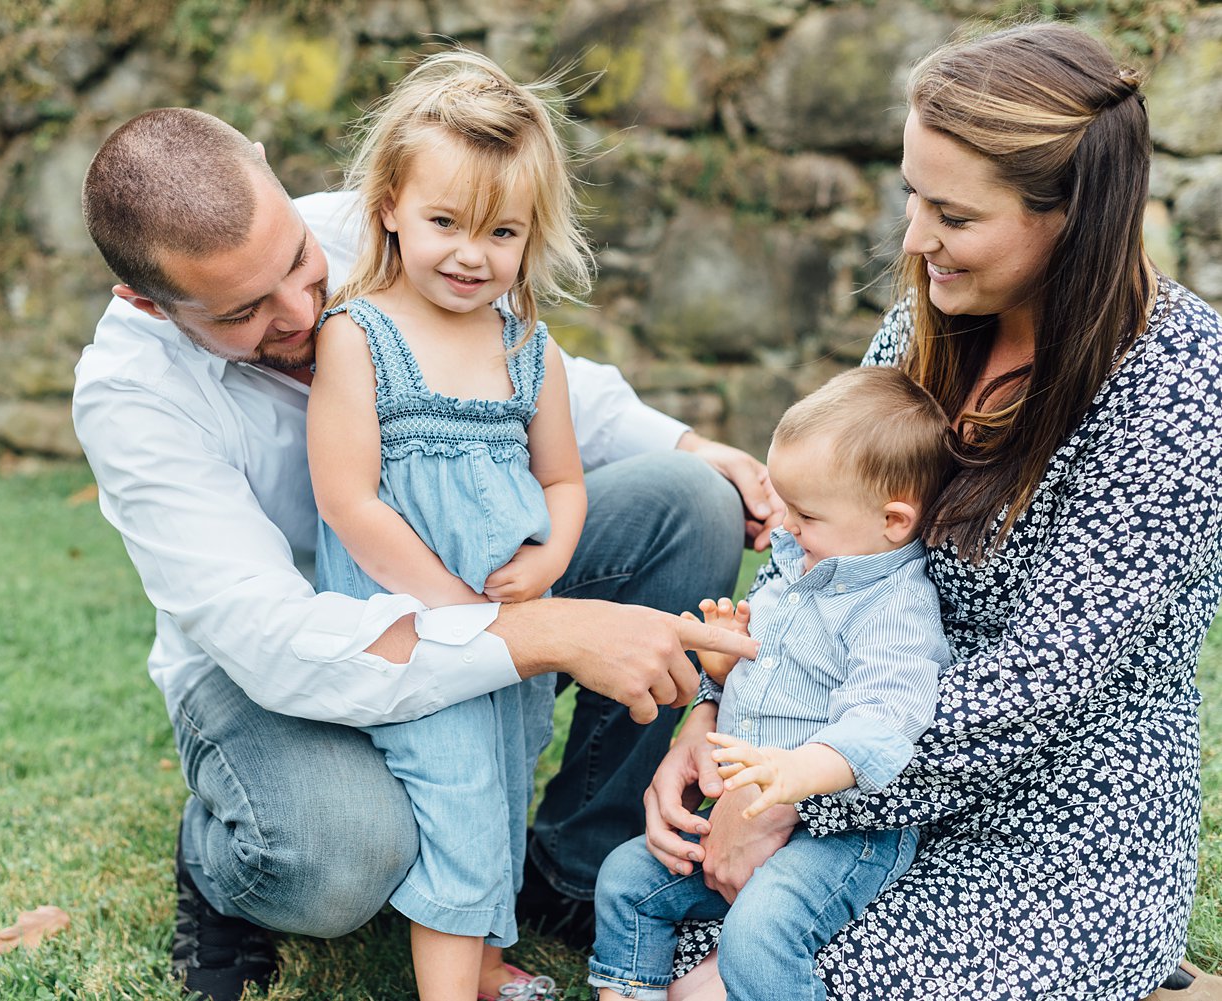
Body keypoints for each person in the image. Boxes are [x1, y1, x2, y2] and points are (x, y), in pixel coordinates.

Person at [73, 96, 774, 1001]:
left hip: (470, 573)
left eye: (296, 261)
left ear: (266, 163)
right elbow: (274, 640)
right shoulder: (130, 397)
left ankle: (567, 870)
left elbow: (521, 364)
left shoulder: (376, 222)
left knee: (689, 502)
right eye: (246, 310)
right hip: (275, 669)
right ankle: (223, 864)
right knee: (342, 855)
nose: (302, 307)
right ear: (147, 299)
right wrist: (537, 632)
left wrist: (693, 447)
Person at [644, 22, 1222, 1001]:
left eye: (952, 213)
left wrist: (790, 785)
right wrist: (719, 711)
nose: (915, 239)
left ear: (1071, 216)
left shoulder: (1179, 393)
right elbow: (811, 530)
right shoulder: (928, 318)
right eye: (915, 195)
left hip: (1049, 832)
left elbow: (1034, 689)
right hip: (855, 759)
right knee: (653, 942)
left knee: (714, 987)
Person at [307, 51, 591, 999]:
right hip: (414, 625)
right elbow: (349, 499)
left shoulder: (526, 344)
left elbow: (562, 477)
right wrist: (454, 606)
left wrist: (552, 551)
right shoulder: (359, 335)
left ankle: (484, 962)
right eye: (445, 223)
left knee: (505, 781)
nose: (472, 255)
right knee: (460, 788)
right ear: (389, 204)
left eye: (501, 231)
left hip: (506, 623)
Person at [588, 366, 953, 1001]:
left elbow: (887, 717)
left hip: (845, 835)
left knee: (758, 934)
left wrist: (797, 775)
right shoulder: (800, 565)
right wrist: (726, 674)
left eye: (805, 513)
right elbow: (777, 679)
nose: (783, 526)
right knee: (626, 877)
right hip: (751, 806)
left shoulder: (894, 610)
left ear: (894, 521)